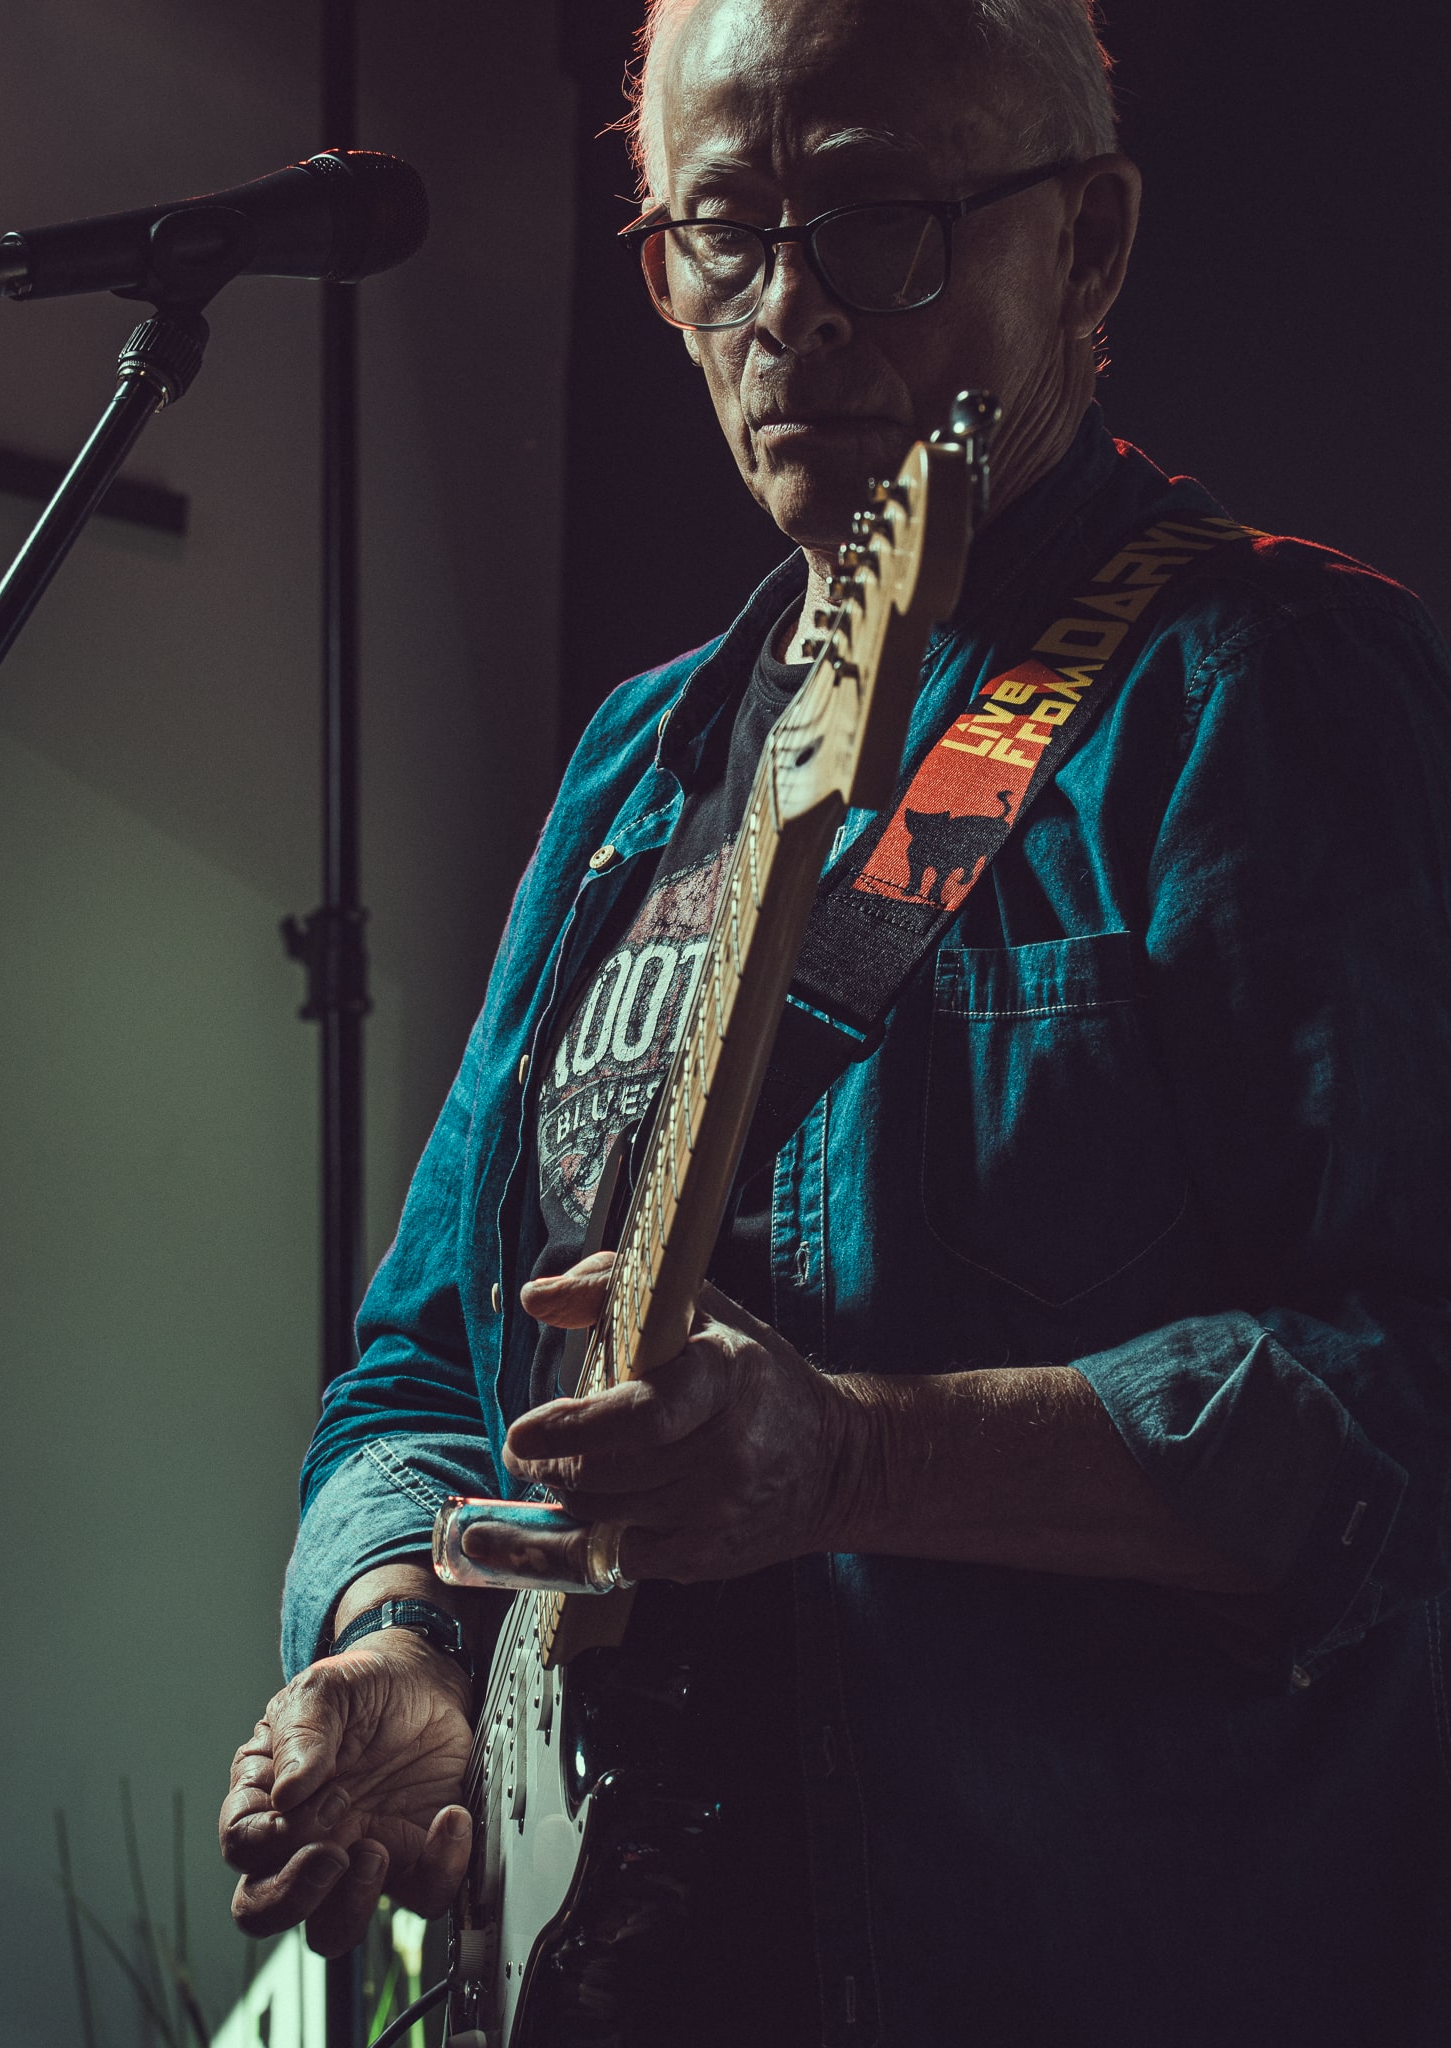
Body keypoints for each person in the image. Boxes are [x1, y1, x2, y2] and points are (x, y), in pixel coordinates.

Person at [219, 3, 1451, 2041]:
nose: (788, 309)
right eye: (722, 231)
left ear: (1089, 242)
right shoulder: (636, 768)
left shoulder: (1265, 688)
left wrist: (861, 1460)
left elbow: (1414, 1380)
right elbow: (421, 1362)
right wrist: (403, 1641)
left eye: (879, 216)